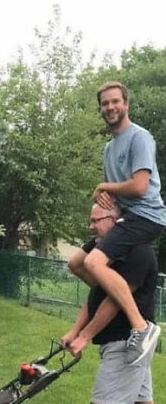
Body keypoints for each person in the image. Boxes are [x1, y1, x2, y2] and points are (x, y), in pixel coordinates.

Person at [62, 202, 164, 404]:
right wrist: (74, 330)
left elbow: (111, 304)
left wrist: (85, 337)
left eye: (96, 220)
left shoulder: (138, 252)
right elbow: (93, 295)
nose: (91, 226)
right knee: (143, 402)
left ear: (117, 219)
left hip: (126, 340)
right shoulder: (108, 257)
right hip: (125, 340)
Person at [68, 81, 166, 365]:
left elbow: (138, 186)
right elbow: (114, 194)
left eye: (115, 102)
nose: (110, 107)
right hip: (125, 216)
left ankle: (139, 326)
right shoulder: (108, 149)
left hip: (146, 216)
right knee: (76, 262)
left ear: (126, 104)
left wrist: (103, 186)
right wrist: (101, 209)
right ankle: (115, 294)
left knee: (94, 264)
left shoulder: (140, 137)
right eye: (105, 103)